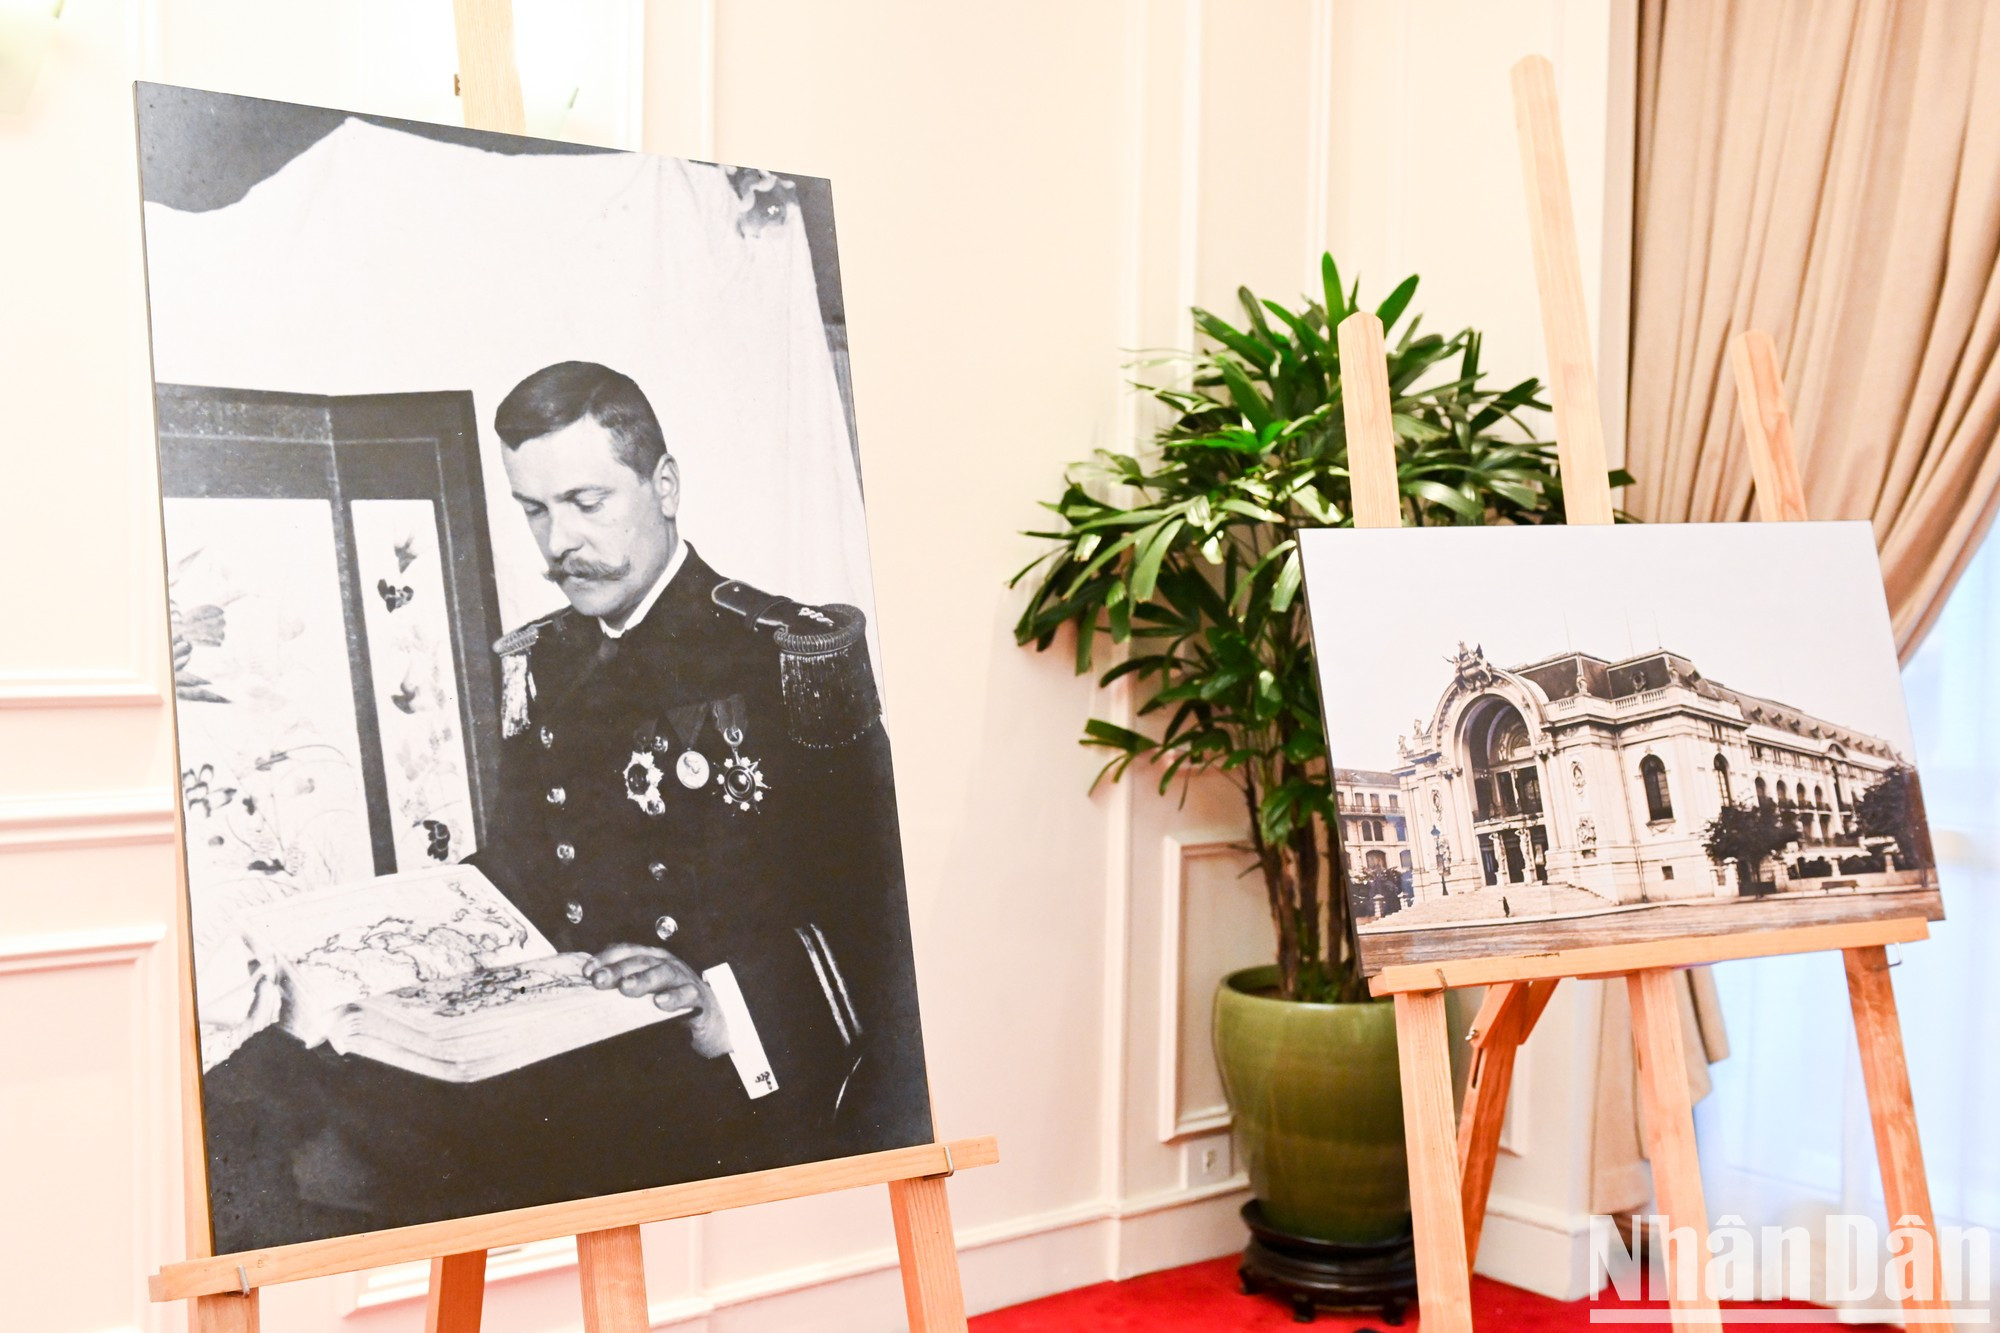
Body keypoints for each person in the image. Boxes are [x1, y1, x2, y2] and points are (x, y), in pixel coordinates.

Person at [201, 362, 930, 1249]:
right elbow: (518, 877)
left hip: (721, 1072)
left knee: (374, 1166)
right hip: (555, 1042)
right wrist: (362, 945)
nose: (560, 543)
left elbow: (885, 918)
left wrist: (717, 1004)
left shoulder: (784, 657)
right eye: (534, 510)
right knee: (245, 1100)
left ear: (663, 486)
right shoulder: (541, 660)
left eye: (588, 501)